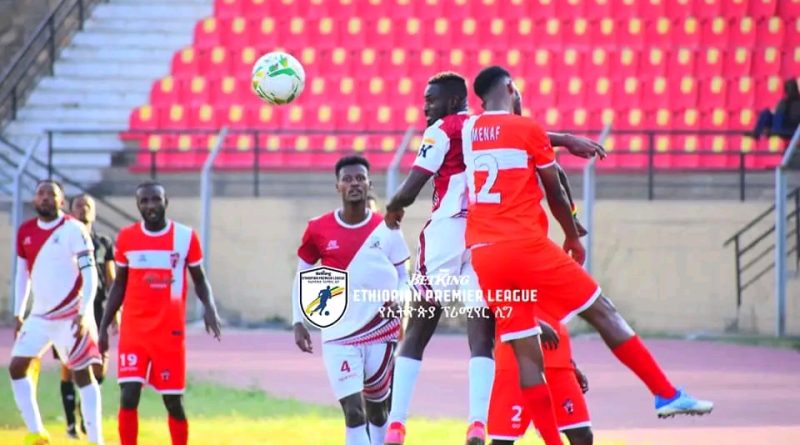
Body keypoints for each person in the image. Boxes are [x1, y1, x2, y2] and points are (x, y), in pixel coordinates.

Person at [464, 66, 713, 445]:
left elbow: (506, 135)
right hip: (524, 246)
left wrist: (562, 139)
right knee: (602, 311)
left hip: (484, 255)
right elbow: (554, 192)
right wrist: (571, 235)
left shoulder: (468, 131)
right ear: (512, 88)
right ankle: (665, 393)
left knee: (525, 353)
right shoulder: (527, 128)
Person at [382, 72, 604, 445]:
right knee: (481, 334)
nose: (425, 108)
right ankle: (476, 422)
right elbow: (538, 147)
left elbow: (412, 187)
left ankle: (396, 425)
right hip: (482, 237)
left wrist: (393, 210)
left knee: (418, 328)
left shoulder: (441, 130)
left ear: (454, 101)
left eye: (431, 101)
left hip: (445, 235)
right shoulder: (487, 128)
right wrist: (566, 141)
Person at [292, 155, 410, 445]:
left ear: (369, 184)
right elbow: (302, 273)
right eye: (347, 179)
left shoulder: (388, 228)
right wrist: (298, 320)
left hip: (380, 329)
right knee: (354, 413)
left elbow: (403, 275)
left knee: (378, 412)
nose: (354, 183)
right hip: (338, 333)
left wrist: (401, 300)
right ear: (338, 186)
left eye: (360, 178)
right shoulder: (318, 228)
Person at [98, 181, 222, 445]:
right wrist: (104, 327)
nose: (150, 205)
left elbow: (200, 279)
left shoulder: (185, 237)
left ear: (166, 202)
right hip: (134, 331)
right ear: (137, 205)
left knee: (173, 401)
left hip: (169, 332)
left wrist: (210, 308)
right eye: (144, 201)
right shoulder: (127, 237)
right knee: (128, 396)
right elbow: (119, 285)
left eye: (156, 199)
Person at [9, 180, 104, 445]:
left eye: (51, 194)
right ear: (34, 199)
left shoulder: (74, 229)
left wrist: (84, 312)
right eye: (40, 193)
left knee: (82, 375)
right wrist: (19, 312)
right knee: (16, 367)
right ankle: (37, 432)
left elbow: (90, 273)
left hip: (71, 316)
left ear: (61, 201)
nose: (45, 198)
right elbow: (21, 275)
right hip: (39, 317)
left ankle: (96, 440)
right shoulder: (25, 231)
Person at [52, 194, 117, 439]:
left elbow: (111, 280)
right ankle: (71, 424)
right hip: (69, 308)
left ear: (95, 212)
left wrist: (116, 310)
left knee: (99, 365)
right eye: (78, 206)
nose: (84, 209)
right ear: (70, 212)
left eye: (88, 205)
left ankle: (84, 409)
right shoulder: (61, 239)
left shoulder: (103, 242)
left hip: (97, 308)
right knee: (68, 364)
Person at [492, 315, 593, 445]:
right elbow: (494, 308)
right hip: (516, 362)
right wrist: (533, 323)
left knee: (582, 435)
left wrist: (570, 363)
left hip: (558, 362)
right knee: (503, 441)